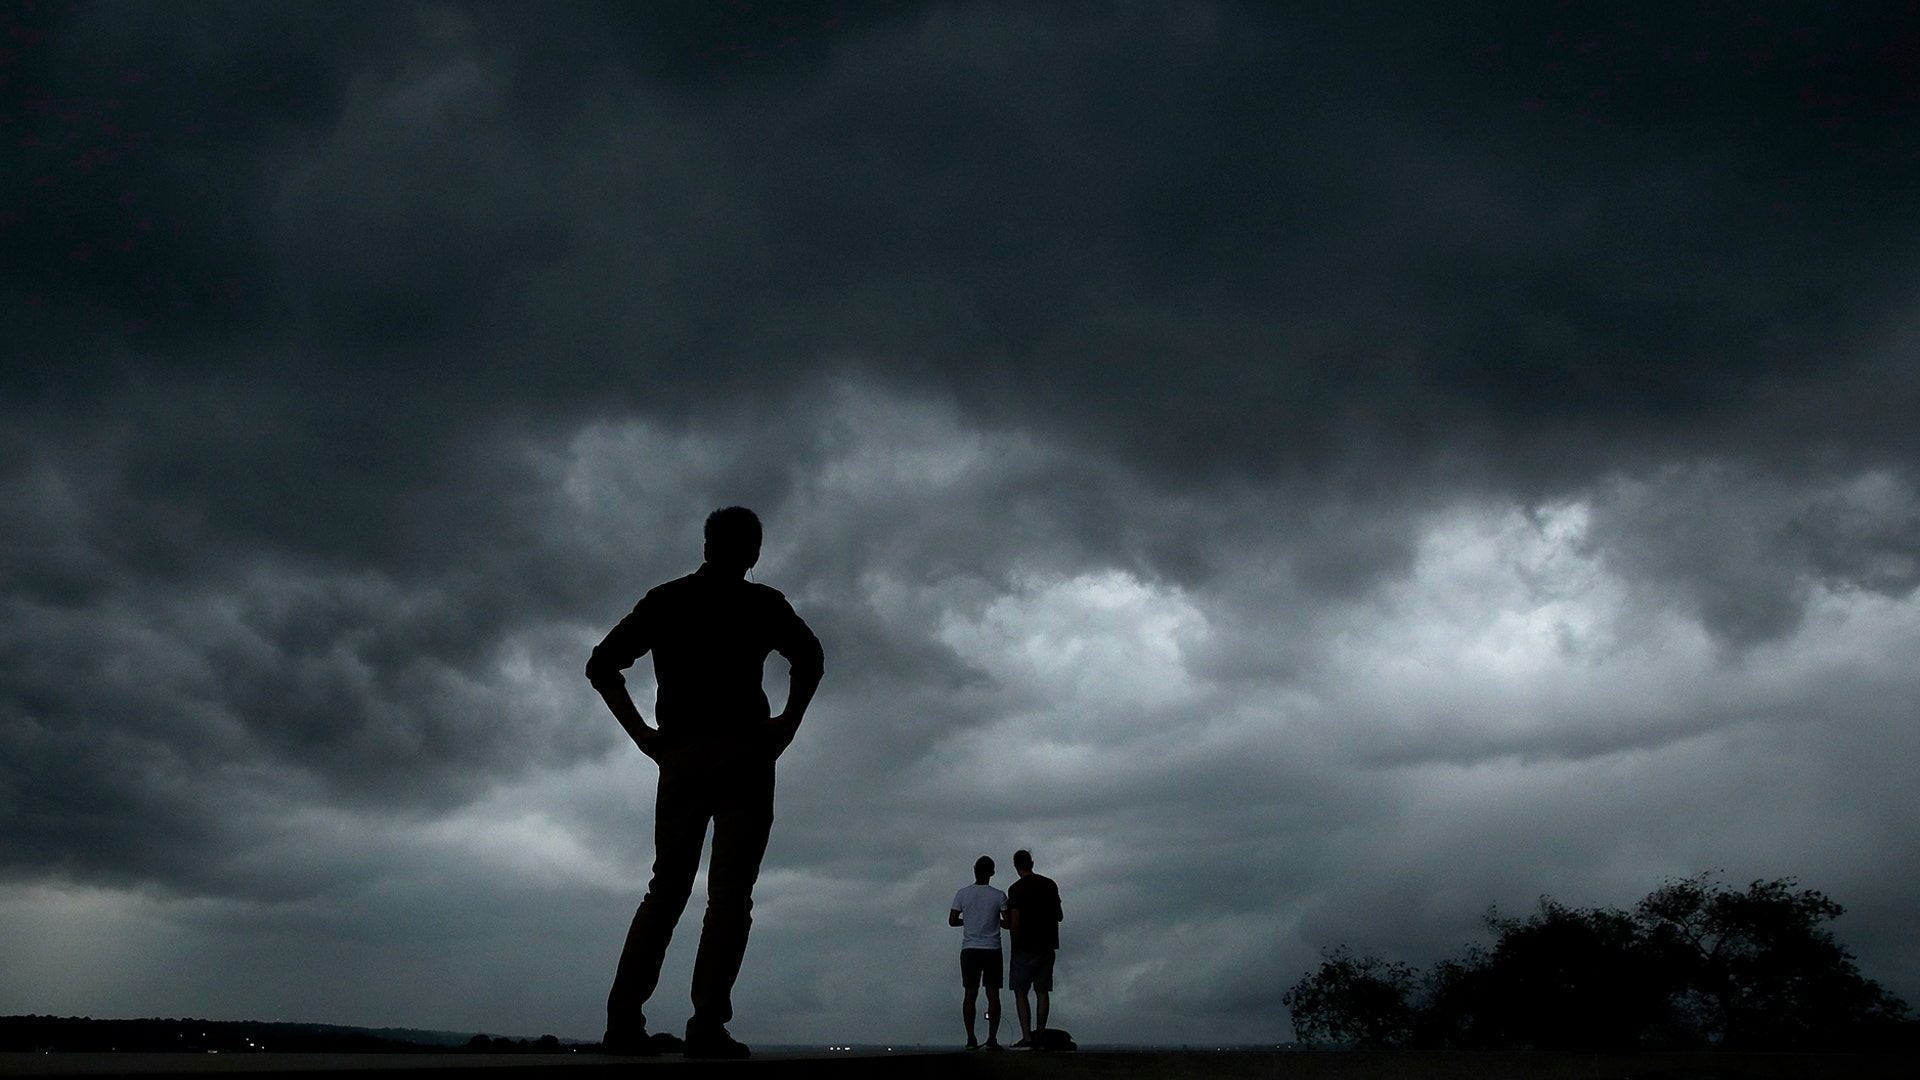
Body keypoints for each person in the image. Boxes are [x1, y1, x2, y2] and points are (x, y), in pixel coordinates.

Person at [585, 506, 824, 1060]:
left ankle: (623, 1021)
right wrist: (786, 724)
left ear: (708, 544)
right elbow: (810, 659)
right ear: (753, 552)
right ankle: (707, 1024)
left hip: (683, 756)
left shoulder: (667, 600)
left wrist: (644, 735)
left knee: (666, 889)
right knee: (730, 897)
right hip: (744, 755)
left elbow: (602, 666)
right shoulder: (763, 604)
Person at [949, 855, 1010, 1050]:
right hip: (992, 948)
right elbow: (1008, 923)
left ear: (974, 869)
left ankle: (971, 1038)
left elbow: (952, 920)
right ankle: (992, 1038)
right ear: (992, 872)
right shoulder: (999, 895)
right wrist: (995, 922)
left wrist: (968, 921)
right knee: (993, 995)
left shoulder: (963, 894)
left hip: (970, 948)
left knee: (970, 993)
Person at [1005, 848, 1064, 1048]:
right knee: (1042, 992)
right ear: (1032, 863)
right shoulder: (1049, 885)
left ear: (1016, 866)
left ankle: (1027, 1037)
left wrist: (1014, 943)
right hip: (1047, 944)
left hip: (1024, 945)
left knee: (1021, 992)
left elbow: (1015, 920)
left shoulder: (1016, 889)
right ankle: (1040, 1034)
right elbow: (1059, 915)